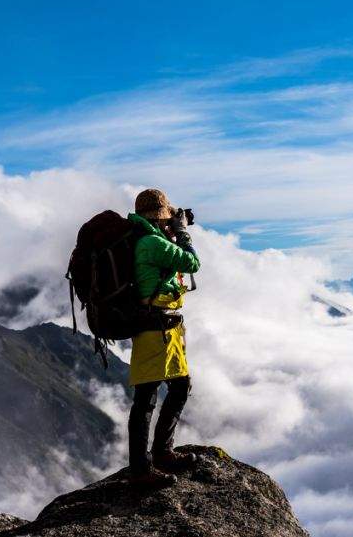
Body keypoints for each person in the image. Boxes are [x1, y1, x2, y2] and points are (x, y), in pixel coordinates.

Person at [127, 188, 201, 488]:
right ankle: (143, 468)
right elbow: (191, 263)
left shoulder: (145, 240)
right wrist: (182, 232)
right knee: (146, 398)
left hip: (163, 329)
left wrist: (173, 231)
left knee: (178, 386)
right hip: (154, 329)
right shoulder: (151, 243)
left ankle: (160, 453)